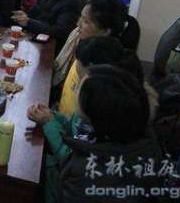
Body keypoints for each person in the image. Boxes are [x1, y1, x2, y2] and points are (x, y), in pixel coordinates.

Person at [28, 41, 149, 203]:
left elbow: (69, 158)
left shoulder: (88, 169)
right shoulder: (114, 121)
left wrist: (49, 122)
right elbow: (75, 131)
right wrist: (54, 116)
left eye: (79, 86)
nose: (75, 88)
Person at [58, 66, 165, 203]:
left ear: (94, 112)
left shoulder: (86, 174)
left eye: (79, 88)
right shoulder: (146, 138)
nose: (75, 88)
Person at [56, 0, 141, 114]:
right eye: (81, 17)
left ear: (105, 31)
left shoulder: (102, 74)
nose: (78, 24)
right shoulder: (79, 41)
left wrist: (52, 120)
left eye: (86, 21)